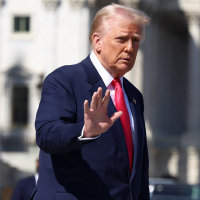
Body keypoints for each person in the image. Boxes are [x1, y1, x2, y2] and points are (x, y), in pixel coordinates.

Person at [34, 4, 150, 200]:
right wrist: (85, 132)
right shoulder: (64, 80)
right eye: (121, 39)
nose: (130, 48)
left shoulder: (134, 96)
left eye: (135, 40)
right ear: (98, 41)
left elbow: (139, 169)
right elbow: (46, 135)